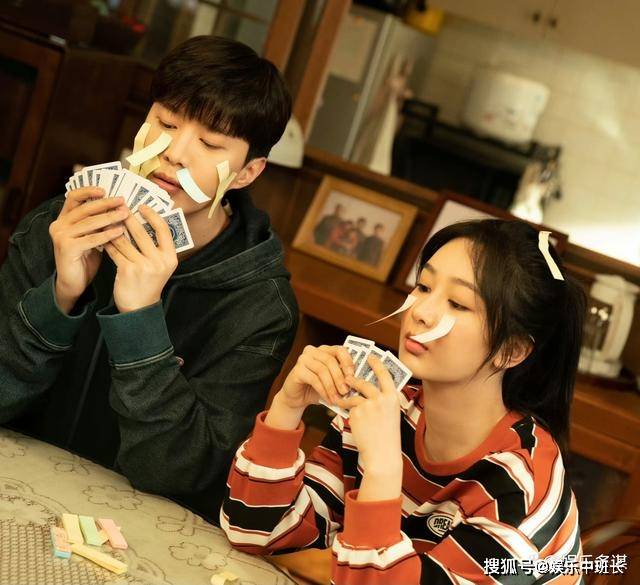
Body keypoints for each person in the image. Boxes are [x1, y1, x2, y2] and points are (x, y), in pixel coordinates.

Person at [0, 36, 298, 522]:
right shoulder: (60, 225)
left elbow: (178, 474)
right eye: (166, 123)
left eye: (210, 143)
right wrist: (59, 297)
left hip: (140, 534)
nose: (174, 152)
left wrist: (140, 321)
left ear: (247, 173)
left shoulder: (261, 306)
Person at [221, 220, 586, 584]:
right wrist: (287, 408)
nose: (421, 312)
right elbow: (254, 530)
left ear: (511, 350)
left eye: (458, 303)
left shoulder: (521, 489)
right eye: (423, 286)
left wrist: (381, 469)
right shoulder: (391, 409)